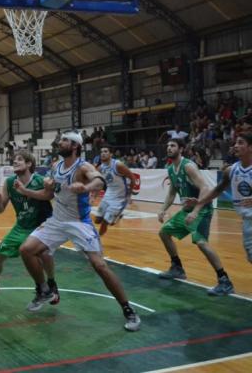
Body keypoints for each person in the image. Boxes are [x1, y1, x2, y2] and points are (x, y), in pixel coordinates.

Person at [17, 131, 141, 332]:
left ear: (75, 146)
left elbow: (99, 181)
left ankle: (128, 310)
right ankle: (44, 290)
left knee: (99, 265)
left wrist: (86, 187)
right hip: (57, 221)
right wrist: (26, 192)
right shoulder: (56, 166)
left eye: (65, 140)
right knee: (26, 250)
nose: (61, 142)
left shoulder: (83, 166)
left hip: (79, 223)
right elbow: (48, 194)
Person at [0, 151, 57, 308]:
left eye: (19, 160)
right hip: (21, 226)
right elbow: (1, 210)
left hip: (39, 226)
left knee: (42, 254)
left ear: (29, 164)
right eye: (14, 160)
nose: (15, 162)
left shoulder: (40, 181)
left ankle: (49, 285)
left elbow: (49, 196)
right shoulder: (9, 182)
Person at [156, 139, 234, 296]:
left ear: (181, 149)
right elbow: (172, 192)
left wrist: (196, 211)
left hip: (202, 210)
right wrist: (163, 209)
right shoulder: (171, 168)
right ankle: (177, 267)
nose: (169, 148)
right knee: (164, 232)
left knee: (201, 243)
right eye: (168, 145)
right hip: (187, 210)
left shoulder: (188, 166)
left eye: (173, 146)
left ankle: (224, 280)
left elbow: (205, 188)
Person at [185, 133, 252, 263]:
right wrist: (200, 201)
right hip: (247, 221)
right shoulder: (231, 170)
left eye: (240, 142)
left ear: (250, 147)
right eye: (235, 143)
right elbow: (216, 191)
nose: (236, 146)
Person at [95, 145, 136, 236]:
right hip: (108, 195)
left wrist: (129, 195)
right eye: (101, 152)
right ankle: (116, 217)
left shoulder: (118, 165)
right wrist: (92, 195)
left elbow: (132, 177)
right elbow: (97, 183)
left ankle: (96, 241)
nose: (103, 154)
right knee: (97, 220)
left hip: (119, 198)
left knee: (105, 222)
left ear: (111, 154)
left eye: (106, 151)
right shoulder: (100, 168)